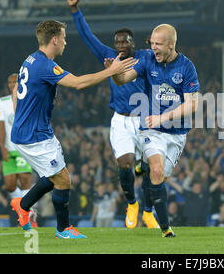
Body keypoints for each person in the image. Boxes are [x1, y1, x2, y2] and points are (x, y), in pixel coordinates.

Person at [9, 19, 136, 239]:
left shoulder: (30, 60)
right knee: (63, 179)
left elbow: (17, 93)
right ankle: (63, 229)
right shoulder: (45, 65)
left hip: (36, 132)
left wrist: (21, 114)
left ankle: (24, 204)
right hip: (33, 136)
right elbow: (78, 84)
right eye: (64, 37)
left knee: (54, 176)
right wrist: (111, 71)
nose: (66, 42)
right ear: (55, 39)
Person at [67, 0, 159, 230]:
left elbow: (164, 56)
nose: (120, 45)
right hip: (121, 120)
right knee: (125, 164)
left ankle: (149, 212)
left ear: (133, 43)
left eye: (125, 42)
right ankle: (132, 204)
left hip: (145, 119)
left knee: (151, 167)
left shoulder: (145, 57)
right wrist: (76, 10)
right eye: (117, 42)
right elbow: (88, 36)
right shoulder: (109, 56)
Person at [110, 23, 200, 237]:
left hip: (177, 134)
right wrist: (114, 73)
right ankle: (165, 228)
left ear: (171, 44)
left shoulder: (186, 67)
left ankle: (147, 197)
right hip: (151, 130)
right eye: (152, 43)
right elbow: (123, 79)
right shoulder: (148, 60)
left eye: (158, 44)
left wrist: (164, 117)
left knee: (159, 177)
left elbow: (193, 104)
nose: (154, 48)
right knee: (157, 171)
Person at [0, 74, 33, 203]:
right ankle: (23, 206)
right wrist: (2, 147)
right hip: (9, 148)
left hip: (23, 147)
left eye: (15, 81)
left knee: (25, 180)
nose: (12, 84)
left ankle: (28, 213)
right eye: (10, 82)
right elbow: (2, 127)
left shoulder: (28, 99)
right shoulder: (2, 102)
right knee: (9, 185)